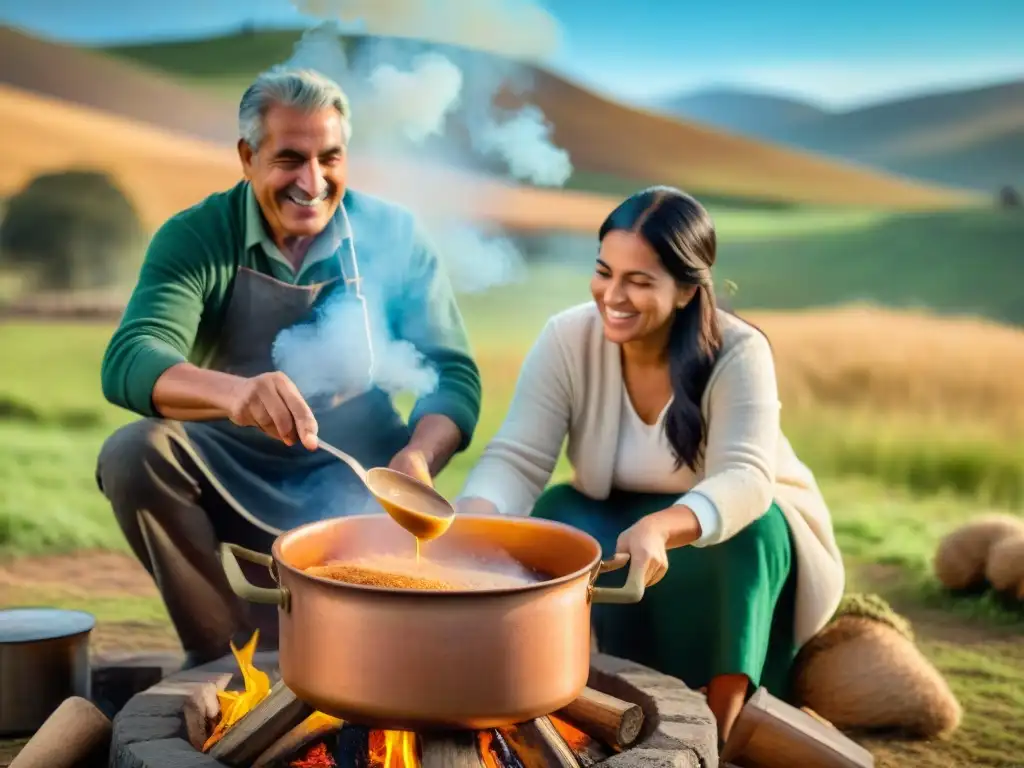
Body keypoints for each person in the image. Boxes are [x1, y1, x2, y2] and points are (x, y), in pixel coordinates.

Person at [96, 68, 481, 667]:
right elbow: (132, 356)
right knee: (134, 452)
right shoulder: (197, 237)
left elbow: (451, 373)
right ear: (248, 157)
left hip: (361, 474)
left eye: (330, 157)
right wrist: (236, 394)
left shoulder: (394, 236)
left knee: (375, 665)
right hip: (225, 464)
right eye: (289, 159)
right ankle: (226, 661)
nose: (312, 181)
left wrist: (416, 459)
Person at [457, 186, 844, 743]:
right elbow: (518, 457)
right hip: (613, 511)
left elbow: (746, 480)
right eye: (604, 272)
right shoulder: (567, 337)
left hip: (726, 524)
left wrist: (663, 526)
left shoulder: (737, 351)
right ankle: (572, 698)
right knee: (553, 515)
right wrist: (475, 519)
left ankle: (716, 732)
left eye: (639, 281)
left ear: (687, 290)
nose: (613, 295)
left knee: (751, 538)